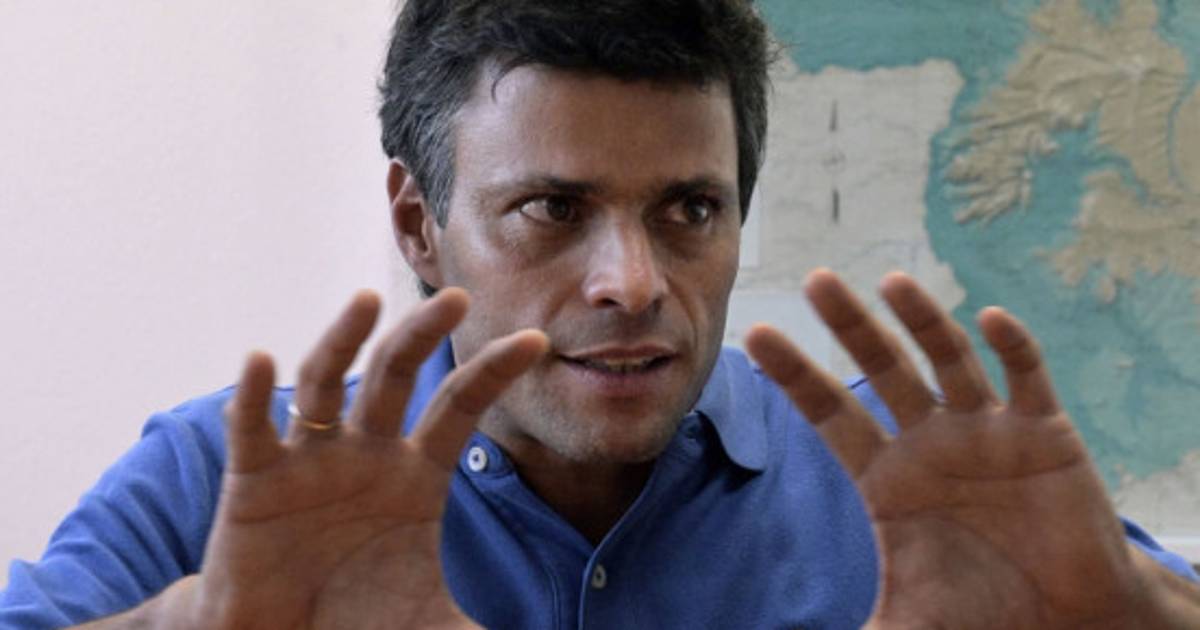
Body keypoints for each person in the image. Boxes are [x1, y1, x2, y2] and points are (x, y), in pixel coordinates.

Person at [3, 1, 1200, 628]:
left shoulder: (913, 489)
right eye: (552, 209)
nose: (631, 279)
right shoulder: (227, 482)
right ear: (419, 224)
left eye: (689, 208)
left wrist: (1133, 617)